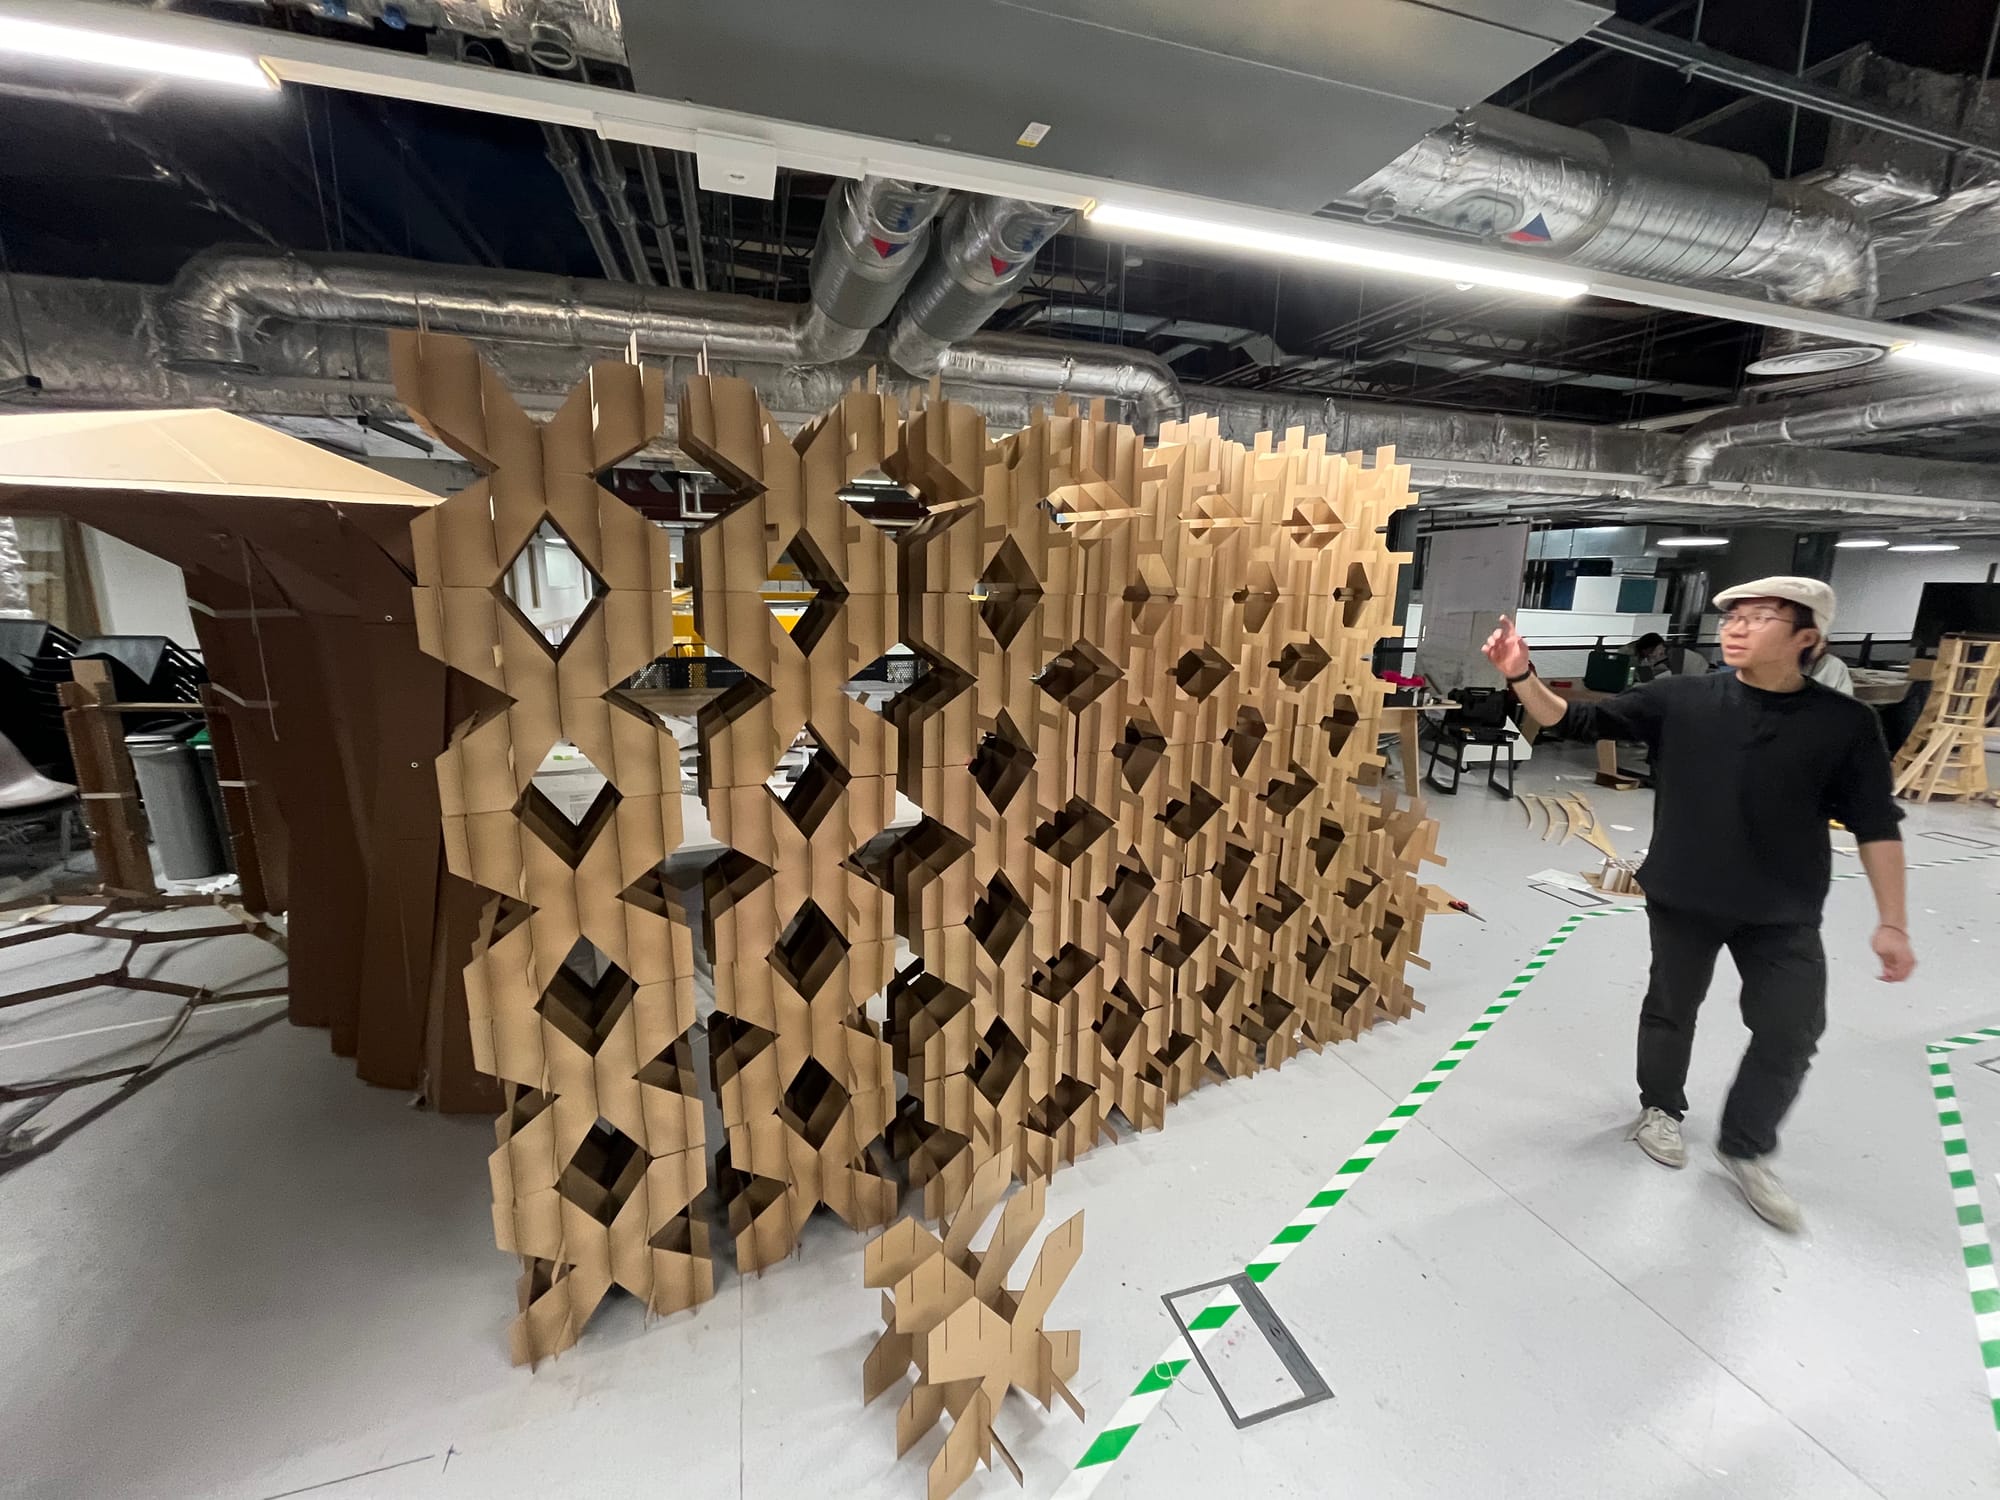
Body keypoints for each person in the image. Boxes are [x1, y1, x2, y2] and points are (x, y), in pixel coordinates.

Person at [1482, 575, 1913, 1231]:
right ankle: (1659, 1108)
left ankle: (1746, 1145)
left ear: (1807, 638)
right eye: (1733, 614)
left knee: (1792, 1028)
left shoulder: (1845, 725)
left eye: (1760, 615)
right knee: (1671, 1007)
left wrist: (1893, 923)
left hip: (1782, 908)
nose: (1736, 625)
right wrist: (1521, 673)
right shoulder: (1680, 697)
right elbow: (1573, 720)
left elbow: (1877, 824)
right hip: (1685, 894)